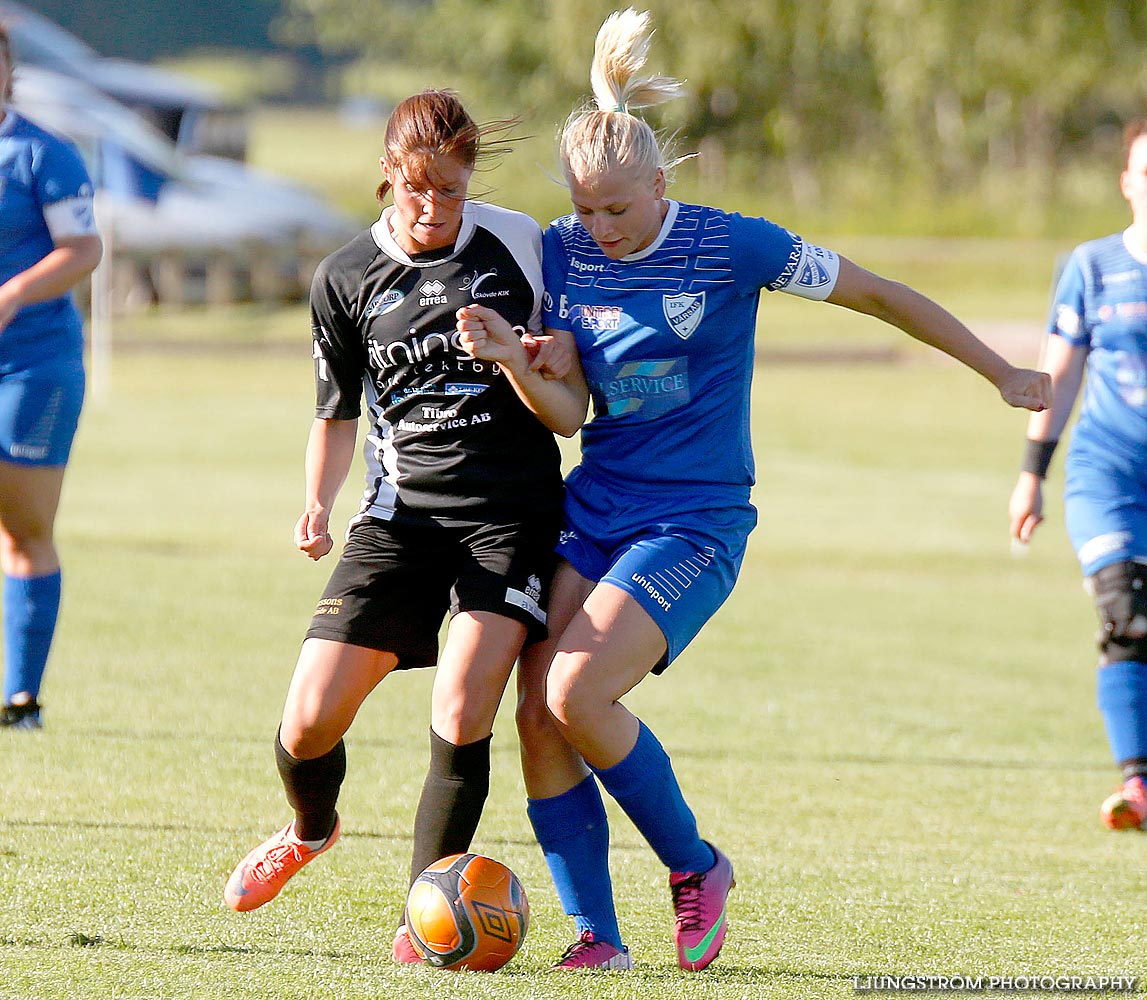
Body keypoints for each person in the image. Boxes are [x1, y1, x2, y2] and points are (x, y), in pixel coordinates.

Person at [458, 8, 1052, 972]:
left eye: (617, 209)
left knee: (574, 687)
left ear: (660, 184)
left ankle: (696, 869)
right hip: (594, 513)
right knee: (537, 708)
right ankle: (596, 939)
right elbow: (564, 410)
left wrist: (999, 371)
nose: (597, 229)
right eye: (584, 208)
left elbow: (880, 294)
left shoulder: (734, 246)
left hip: (692, 524)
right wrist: (529, 359)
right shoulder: (561, 254)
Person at [222, 89, 584, 964]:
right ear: (388, 175)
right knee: (307, 724)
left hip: (508, 518)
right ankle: (311, 828)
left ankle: (423, 922)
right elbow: (336, 412)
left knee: (462, 704)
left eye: (451, 191)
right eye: (417, 188)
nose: (433, 208)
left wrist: (527, 355)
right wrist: (316, 502)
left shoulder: (520, 246)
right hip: (400, 519)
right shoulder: (344, 277)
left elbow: (565, 381)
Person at [1009, 118, 1147, 832]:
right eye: (1145, 174)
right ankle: (1136, 784)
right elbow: (1058, 377)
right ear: (1127, 182)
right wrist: (1031, 473)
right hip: (1107, 476)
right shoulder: (1093, 267)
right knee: (1125, 618)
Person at [0, 24, 102, 731]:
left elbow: (84, 248)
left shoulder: (42, 154)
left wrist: (10, 297)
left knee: (23, 526)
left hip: (34, 366)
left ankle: (21, 700)